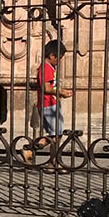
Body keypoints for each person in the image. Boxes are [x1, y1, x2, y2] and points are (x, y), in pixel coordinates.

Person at [31, 39, 72, 168]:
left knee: (56, 134)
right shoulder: (46, 68)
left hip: (50, 103)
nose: (59, 61)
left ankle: (51, 160)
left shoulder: (49, 67)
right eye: (58, 58)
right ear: (52, 56)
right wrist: (62, 92)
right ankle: (47, 158)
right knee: (57, 134)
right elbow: (46, 88)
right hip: (48, 104)